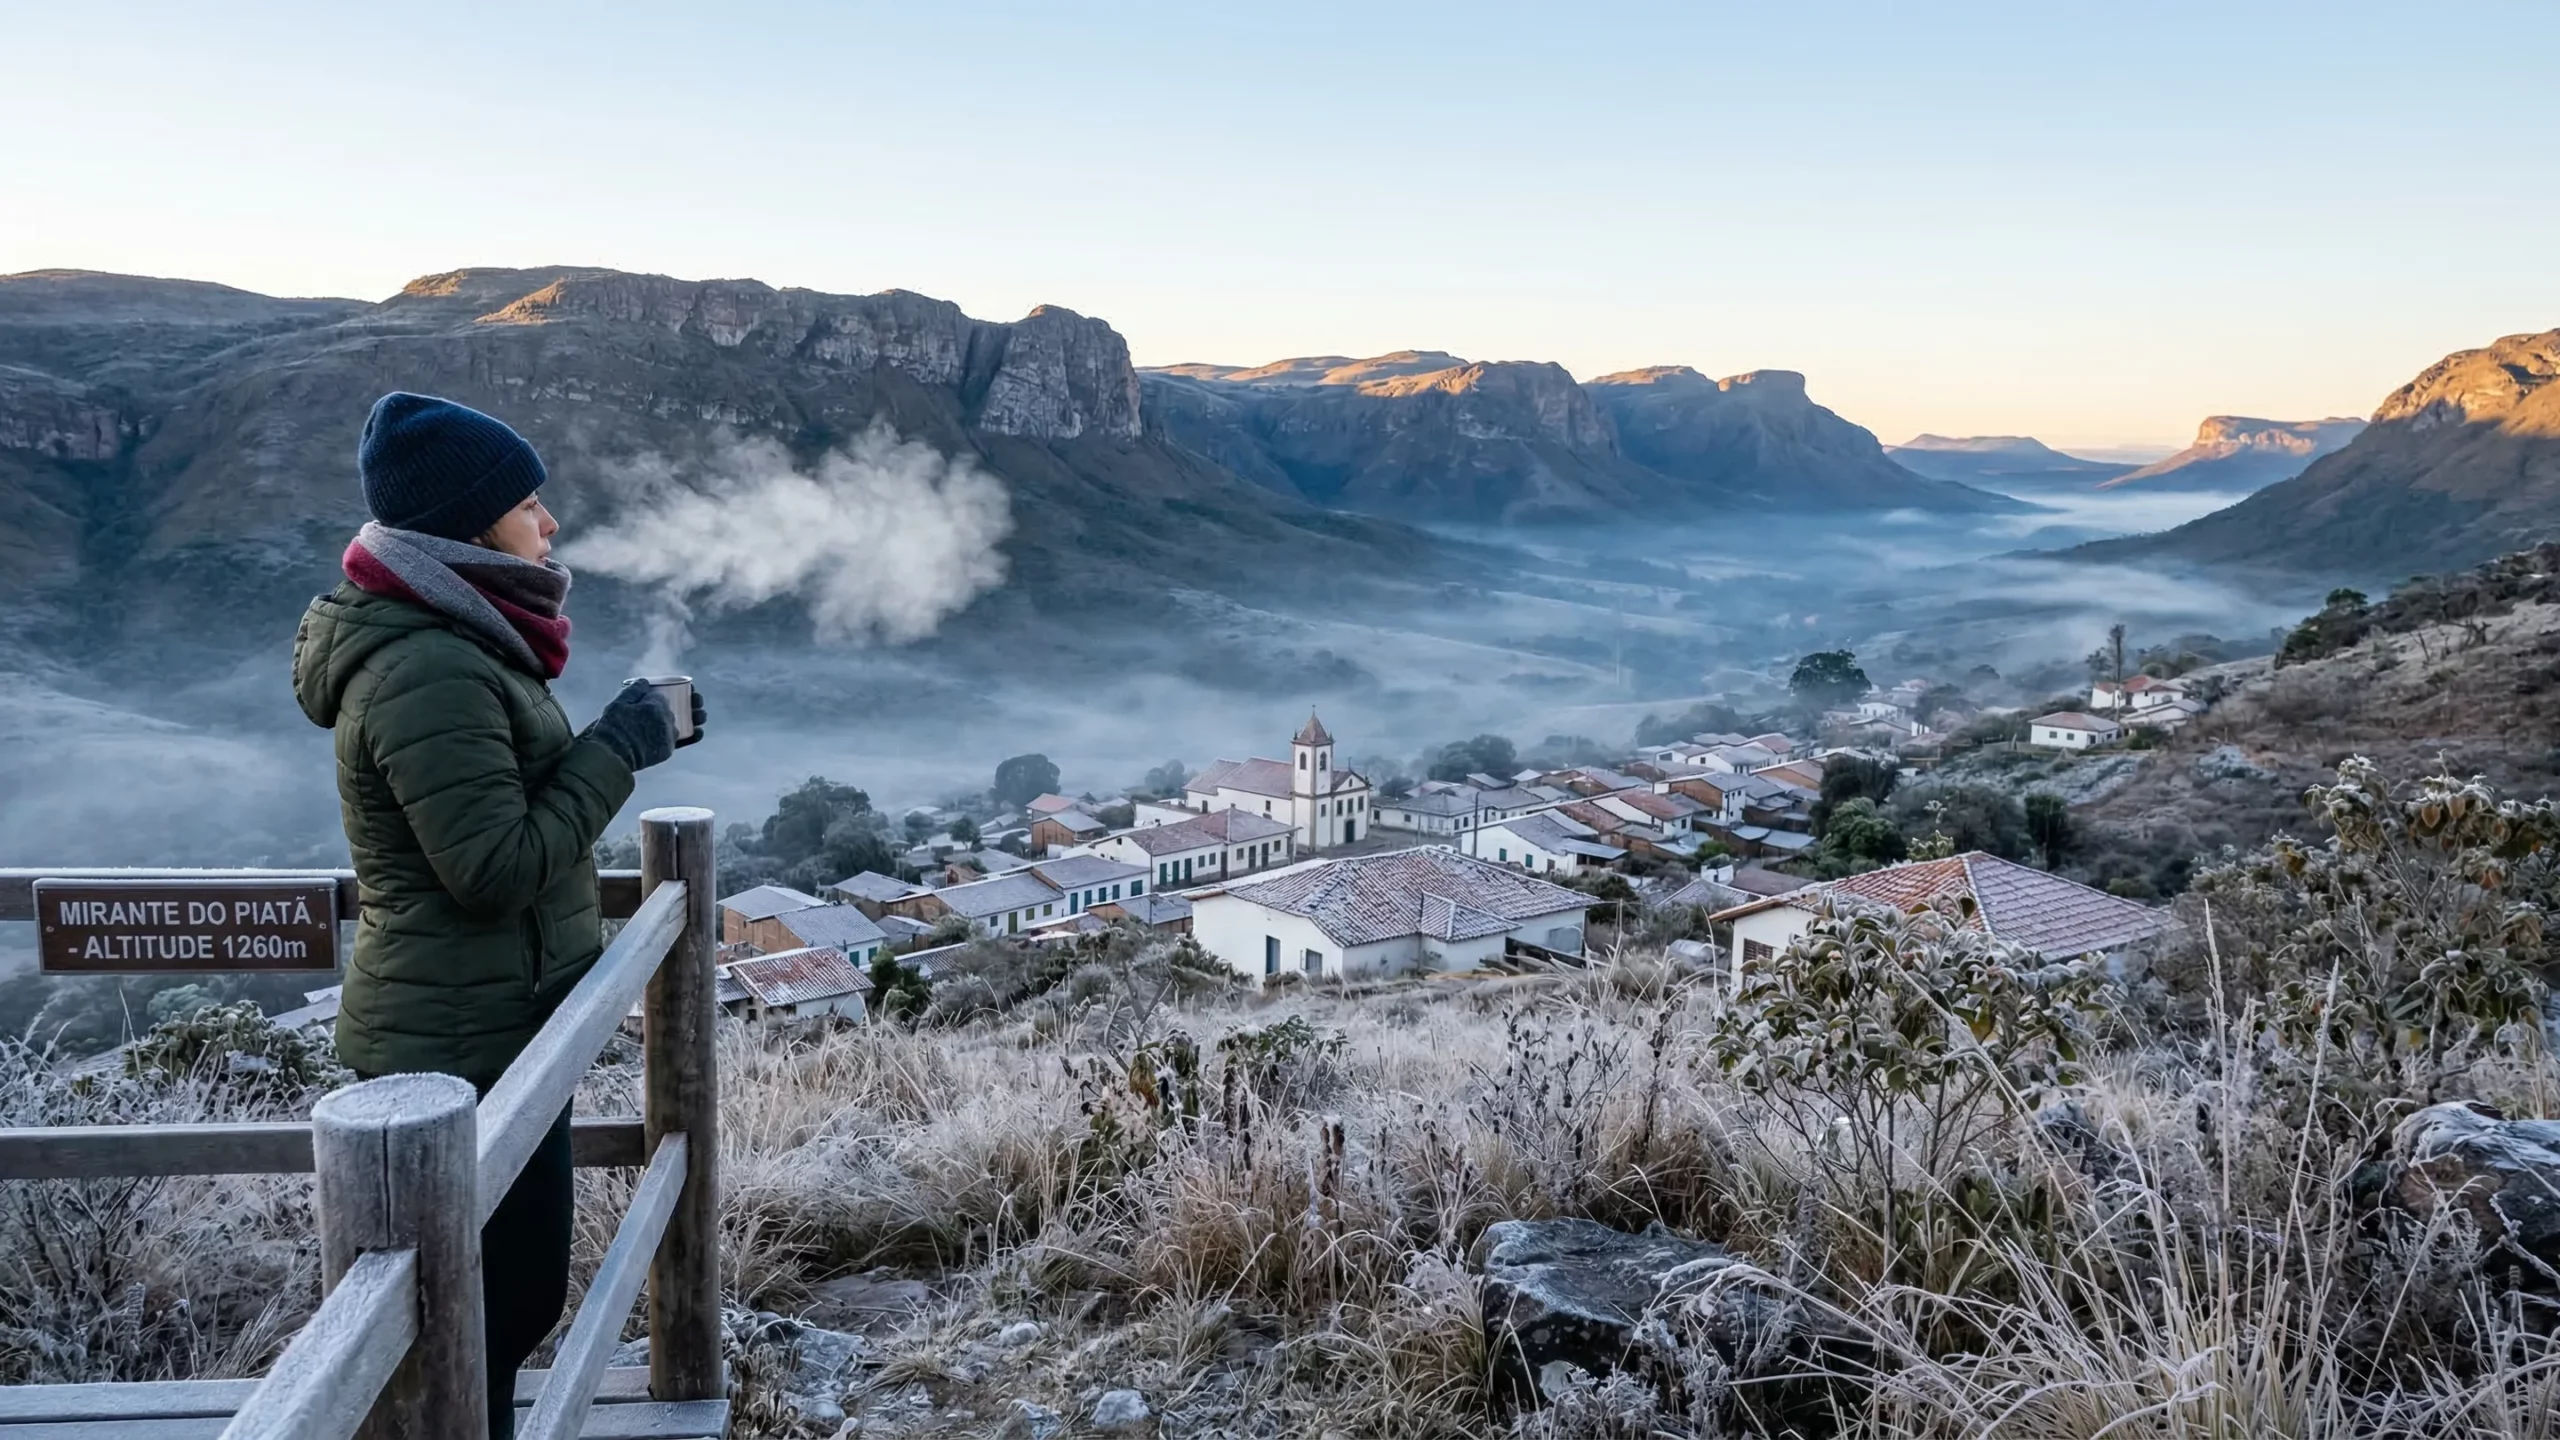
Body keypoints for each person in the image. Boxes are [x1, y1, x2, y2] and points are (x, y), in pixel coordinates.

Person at [290, 392, 707, 1438]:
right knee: (478, 1314)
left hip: (496, 1025)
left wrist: (623, 733)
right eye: (529, 503)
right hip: (458, 1047)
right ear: (470, 526)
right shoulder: (428, 663)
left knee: (500, 1308)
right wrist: (623, 742)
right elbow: (492, 866)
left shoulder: (455, 635)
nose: (549, 524)